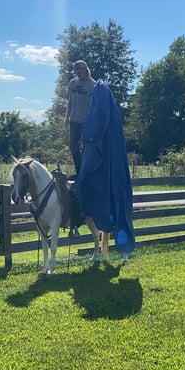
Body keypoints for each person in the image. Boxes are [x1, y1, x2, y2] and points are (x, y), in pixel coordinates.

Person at [77, 78, 136, 261]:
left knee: (115, 206)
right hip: (103, 176)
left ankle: (122, 249)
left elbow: (93, 142)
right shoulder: (99, 119)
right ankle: (106, 249)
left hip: (109, 176)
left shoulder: (103, 122)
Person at [64, 60, 95, 174]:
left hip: (86, 120)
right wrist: (67, 116)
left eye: (79, 71)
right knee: (73, 145)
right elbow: (70, 100)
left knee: (87, 145)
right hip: (74, 119)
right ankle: (79, 169)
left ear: (85, 70)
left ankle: (87, 169)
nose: (77, 73)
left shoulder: (92, 85)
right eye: (76, 71)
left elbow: (94, 104)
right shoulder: (73, 83)